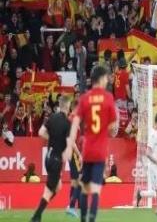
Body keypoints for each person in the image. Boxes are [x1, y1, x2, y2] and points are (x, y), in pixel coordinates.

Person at [64, 65, 117, 222]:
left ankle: (82, 218)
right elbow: (113, 127)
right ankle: (92, 218)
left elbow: (75, 122)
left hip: (87, 151)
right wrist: (107, 129)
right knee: (95, 189)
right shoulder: (108, 97)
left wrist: (69, 146)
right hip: (100, 151)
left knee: (84, 185)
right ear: (101, 79)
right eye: (106, 78)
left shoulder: (85, 98)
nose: (107, 81)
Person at [30, 95, 72, 222]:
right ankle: (36, 216)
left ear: (60, 105)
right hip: (56, 160)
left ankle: (39, 211)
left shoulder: (52, 117)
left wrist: (52, 139)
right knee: (49, 191)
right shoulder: (67, 123)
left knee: (58, 186)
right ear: (68, 106)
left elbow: (41, 132)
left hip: (48, 157)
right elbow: (68, 144)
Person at [136, 112, 157, 215]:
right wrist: (156, 161)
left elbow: (156, 149)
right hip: (154, 166)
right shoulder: (153, 134)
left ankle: (141, 194)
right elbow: (147, 153)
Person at [66, 100, 82, 218]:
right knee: (78, 179)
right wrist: (79, 154)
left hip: (72, 152)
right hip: (74, 153)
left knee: (75, 179)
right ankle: (72, 206)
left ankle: (74, 205)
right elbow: (71, 140)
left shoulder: (73, 119)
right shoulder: (72, 119)